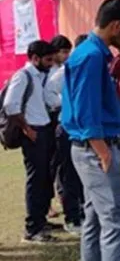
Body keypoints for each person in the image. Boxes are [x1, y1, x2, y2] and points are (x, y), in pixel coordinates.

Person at [61, 0, 120, 261]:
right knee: (115, 226)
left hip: (91, 149)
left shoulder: (91, 53)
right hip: (95, 150)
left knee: (94, 223)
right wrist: (104, 152)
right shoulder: (91, 56)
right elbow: (85, 110)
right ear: (115, 25)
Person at [3, 40, 57, 243]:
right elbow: (10, 104)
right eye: (48, 60)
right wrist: (27, 129)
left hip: (43, 129)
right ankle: (32, 229)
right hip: (34, 133)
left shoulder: (39, 76)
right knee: (36, 180)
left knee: (45, 178)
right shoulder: (23, 76)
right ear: (35, 58)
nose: (51, 64)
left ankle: (41, 220)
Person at [46, 35, 88, 236]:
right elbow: (48, 93)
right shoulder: (64, 72)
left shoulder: (88, 70)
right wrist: (66, 104)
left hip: (82, 128)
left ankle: (82, 212)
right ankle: (72, 217)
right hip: (65, 127)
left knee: (81, 173)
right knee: (67, 174)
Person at [47, 35, 73, 219]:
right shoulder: (48, 72)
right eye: (63, 52)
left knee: (61, 163)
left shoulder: (64, 70)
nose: (66, 55)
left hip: (60, 120)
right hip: (48, 120)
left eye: (68, 52)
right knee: (48, 165)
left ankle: (64, 197)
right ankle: (46, 203)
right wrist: (63, 103)